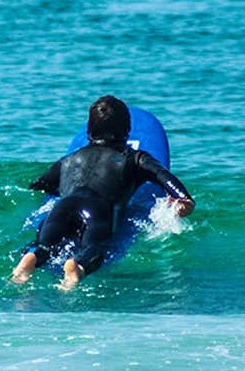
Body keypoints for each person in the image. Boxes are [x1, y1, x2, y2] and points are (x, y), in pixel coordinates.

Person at [11, 95, 195, 289]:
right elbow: (162, 174)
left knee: (45, 244)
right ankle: (77, 269)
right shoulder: (134, 158)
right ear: (127, 131)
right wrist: (183, 199)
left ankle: (31, 258)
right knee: (94, 248)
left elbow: (40, 185)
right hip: (98, 209)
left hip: (63, 206)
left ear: (89, 131)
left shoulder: (68, 160)